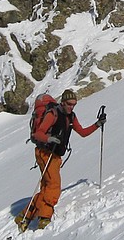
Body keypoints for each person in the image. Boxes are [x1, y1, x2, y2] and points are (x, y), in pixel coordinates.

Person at [17, 89, 106, 231]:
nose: (72, 107)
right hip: (45, 153)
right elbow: (38, 133)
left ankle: (25, 215)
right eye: (69, 104)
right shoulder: (52, 114)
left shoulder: (71, 116)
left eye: (74, 104)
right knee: (53, 185)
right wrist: (50, 139)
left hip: (55, 155)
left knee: (47, 187)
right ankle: (44, 218)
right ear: (63, 102)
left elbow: (82, 133)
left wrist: (97, 124)